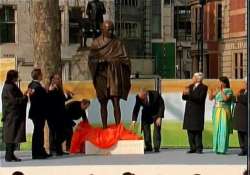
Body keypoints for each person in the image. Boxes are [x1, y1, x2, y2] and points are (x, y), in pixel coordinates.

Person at [88, 20, 131, 128]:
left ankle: (118, 127)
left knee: (116, 102)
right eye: (108, 30)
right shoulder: (96, 43)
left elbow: (126, 59)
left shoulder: (118, 43)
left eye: (112, 29)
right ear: (103, 30)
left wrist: (114, 61)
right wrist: (100, 61)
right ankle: (104, 127)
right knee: (103, 103)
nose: (111, 32)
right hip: (101, 76)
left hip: (114, 75)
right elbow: (91, 60)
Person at [1, 70, 29, 162]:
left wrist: (24, 96)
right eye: (16, 76)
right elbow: (13, 101)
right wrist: (24, 97)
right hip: (11, 115)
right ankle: (9, 155)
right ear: (13, 77)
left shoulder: (10, 86)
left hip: (13, 115)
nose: (17, 78)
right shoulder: (9, 87)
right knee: (10, 135)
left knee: (13, 135)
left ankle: (11, 154)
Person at [182, 72, 208, 154]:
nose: (192, 78)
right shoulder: (190, 86)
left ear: (197, 78)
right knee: (189, 130)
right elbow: (184, 97)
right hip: (189, 111)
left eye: (193, 77)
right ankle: (192, 147)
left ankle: (199, 148)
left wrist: (189, 93)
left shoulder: (204, 87)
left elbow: (200, 98)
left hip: (197, 112)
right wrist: (184, 93)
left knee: (197, 131)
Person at [47, 73, 72, 155]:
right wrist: (51, 91)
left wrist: (69, 96)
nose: (59, 80)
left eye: (59, 78)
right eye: (57, 78)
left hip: (60, 114)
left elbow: (61, 100)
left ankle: (58, 149)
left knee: (59, 132)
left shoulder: (59, 88)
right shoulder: (51, 88)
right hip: (53, 114)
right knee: (53, 132)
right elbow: (51, 101)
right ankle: (52, 149)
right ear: (53, 80)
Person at [28, 68, 50, 159]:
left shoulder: (31, 85)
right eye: (41, 74)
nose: (42, 76)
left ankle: (39, 151)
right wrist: (47, 91)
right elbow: (43, 100)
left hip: (34, 112)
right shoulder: (38, 87)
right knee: (38, 133)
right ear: (39, 76)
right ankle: (37, 153)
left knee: (38, 132)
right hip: (39, 113)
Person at [209, 76, 234, 154]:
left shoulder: (229, 90)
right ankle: (216, 148)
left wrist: (221, 91)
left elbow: (225, 99)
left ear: (224, 83)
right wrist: (212, 92)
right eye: (219, 82)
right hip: (216, 111)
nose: (219, 83)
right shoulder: (218, 90)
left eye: (220, 82)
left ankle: (222, 148)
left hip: (224, 111)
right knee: (217, 129)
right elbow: (211, 98)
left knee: (223, 130)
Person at [233, 77, 248, 156]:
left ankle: (246, 149)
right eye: (245, 83)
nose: (245, 84)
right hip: (239, 116)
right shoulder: (242, 91)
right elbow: (236, 98)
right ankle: (242, 149)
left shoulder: (242, 93)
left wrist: (238, 96)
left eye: (246, 83)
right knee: (240, 132)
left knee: (246, 133)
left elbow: (246, 100)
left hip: (245, 116)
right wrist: (237, 96)